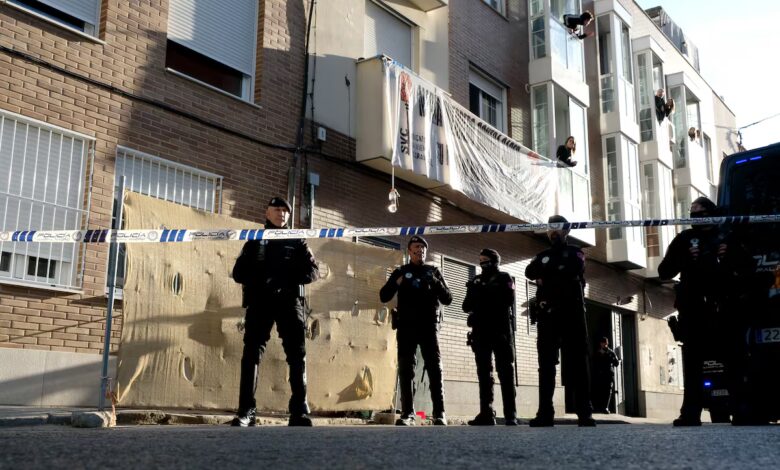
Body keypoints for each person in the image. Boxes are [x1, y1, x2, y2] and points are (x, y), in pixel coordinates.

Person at [658, 196, 752, 426]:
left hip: (725, 307)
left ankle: (741, 410)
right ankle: (690, 413)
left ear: (710, 213)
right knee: (692, 364)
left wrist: (728, 255)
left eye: (698, 211)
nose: (693, 216)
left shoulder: (728, 236)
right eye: (691, 212)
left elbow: (749, 267)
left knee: (734, 360)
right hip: (694, 309)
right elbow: (664, 271)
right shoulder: (685, 239)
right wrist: (684, 258)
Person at [231, 197, 320, 427]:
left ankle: (299, 411)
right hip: (260, 301)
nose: (282, 213)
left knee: (297, 355)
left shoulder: (297, 239)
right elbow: (238, 273)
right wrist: (261, 279)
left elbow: (313, 271)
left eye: (285, 210)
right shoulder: (255, 239)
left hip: (289, 303)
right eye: (277, 209)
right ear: (267, 212)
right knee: (251, 354)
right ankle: (246, 411)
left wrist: (286, 279)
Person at [525, 215, 596, 427]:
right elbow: (530, 272)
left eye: (556, 228)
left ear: (566, 231)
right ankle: (545, 413)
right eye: (549, 229)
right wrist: (554, 271)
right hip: (548, 316)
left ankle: (585, 412)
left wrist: (546, 275)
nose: (552, 232)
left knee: (578, 363)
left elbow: (572, 268)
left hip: (571, 313)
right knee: (546, 365)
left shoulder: (575, 252)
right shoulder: (543, 255)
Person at [380, 235, 453, 426]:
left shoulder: (434, 271)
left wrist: (436, 282)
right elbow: (383, 296)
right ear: (409, 251)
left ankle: (439, 413)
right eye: (416, 247)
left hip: (428, 327)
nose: (420, 250)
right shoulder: (401, 271)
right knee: (406, 370)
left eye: (423, 247)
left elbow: (448, 299)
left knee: (434, 369)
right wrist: (397, 282)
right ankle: (408, 413)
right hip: (406, 327)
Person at [462, 248, 518, 426]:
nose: (482, 263)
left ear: (495, 261)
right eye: (480, 260)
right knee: (484, 374)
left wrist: (482, 296)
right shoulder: (476, 280)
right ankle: (486, 413)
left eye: (486, 260)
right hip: (481, 332)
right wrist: (476, 291)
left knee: (506, 372)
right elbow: (465, 305)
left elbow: (508, 300)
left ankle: (511, 414)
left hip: (501, 331)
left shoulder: (504, 278)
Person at [592, 337, 620, 414]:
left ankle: (606, 407)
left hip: (609, 374)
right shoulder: (598, 352)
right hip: (600, 374)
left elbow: (616, 363)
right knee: (600, 390)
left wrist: (612, 358)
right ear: (601, 344)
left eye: (605, 343)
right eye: (603, 343)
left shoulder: (611, 352)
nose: (604, 345)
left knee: (608, 391)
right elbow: (594, 363)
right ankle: (599, 407)